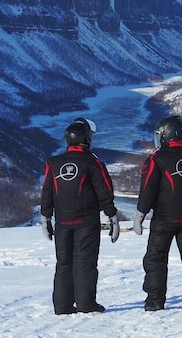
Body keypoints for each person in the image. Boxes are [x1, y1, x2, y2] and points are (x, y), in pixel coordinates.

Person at [40, 117, 121, 315]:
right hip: (86, 222)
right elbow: (105, 191)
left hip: (62, 222)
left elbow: (47, 191)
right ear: (86, 139)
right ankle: (86, 304)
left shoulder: (54, 162)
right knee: (85, 262)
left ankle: (62, 306)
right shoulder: (93, 162)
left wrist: (45, 218)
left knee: (64, 263)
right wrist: (112, 216)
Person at [133, 115, 182, 311]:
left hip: (162, 220)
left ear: (165, 135)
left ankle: (155, 301)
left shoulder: (156, 159)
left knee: (155, 258)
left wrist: (140, 215)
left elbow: (148, 189)